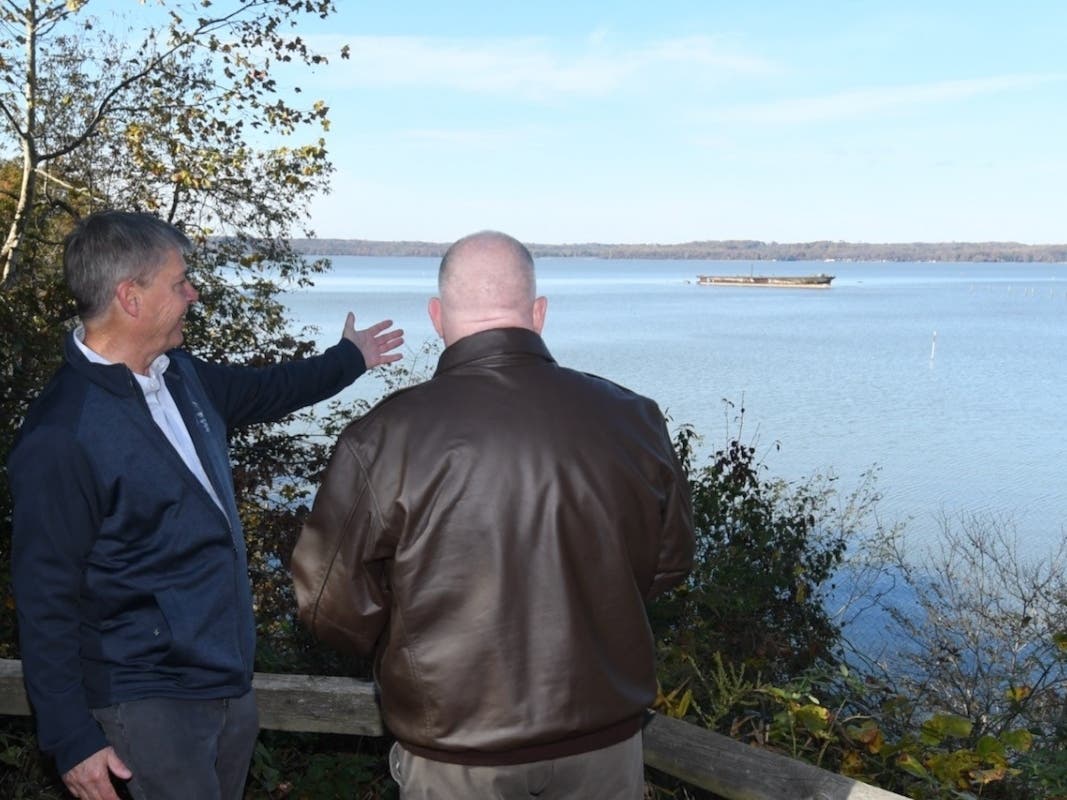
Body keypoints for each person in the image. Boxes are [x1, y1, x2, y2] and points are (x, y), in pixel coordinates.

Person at [8, 210, 404, 800]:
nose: (193, 293)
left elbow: (269, 389)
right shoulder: (63, 434)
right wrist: (70, 736)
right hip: (146, 701)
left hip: (223, 683)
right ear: (131, 298)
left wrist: (349, 358)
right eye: (180, 282)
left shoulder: (179, 377)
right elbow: (44, 597)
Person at [292, 230, 695, 799]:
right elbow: (670, 563)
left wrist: (411, 639)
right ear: (538, 313)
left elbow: (329, 604)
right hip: (604, 747)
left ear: (437, 317)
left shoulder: (383, 437)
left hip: (456, 753)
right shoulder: (633, 418)